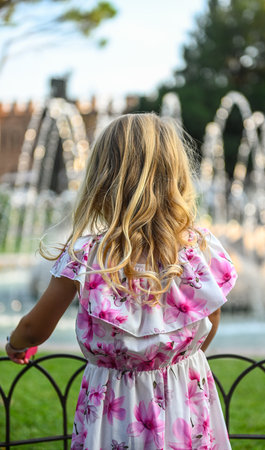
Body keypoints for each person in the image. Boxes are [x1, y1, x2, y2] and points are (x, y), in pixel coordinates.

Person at [6, 113, 237, 449]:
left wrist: (15, 345)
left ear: (102, 178)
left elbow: (34, 329)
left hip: (113, 403)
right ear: (175, 174)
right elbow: (210, 320)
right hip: (185, 395)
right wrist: (176, 360)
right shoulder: (197, 248)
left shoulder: (85, 254)